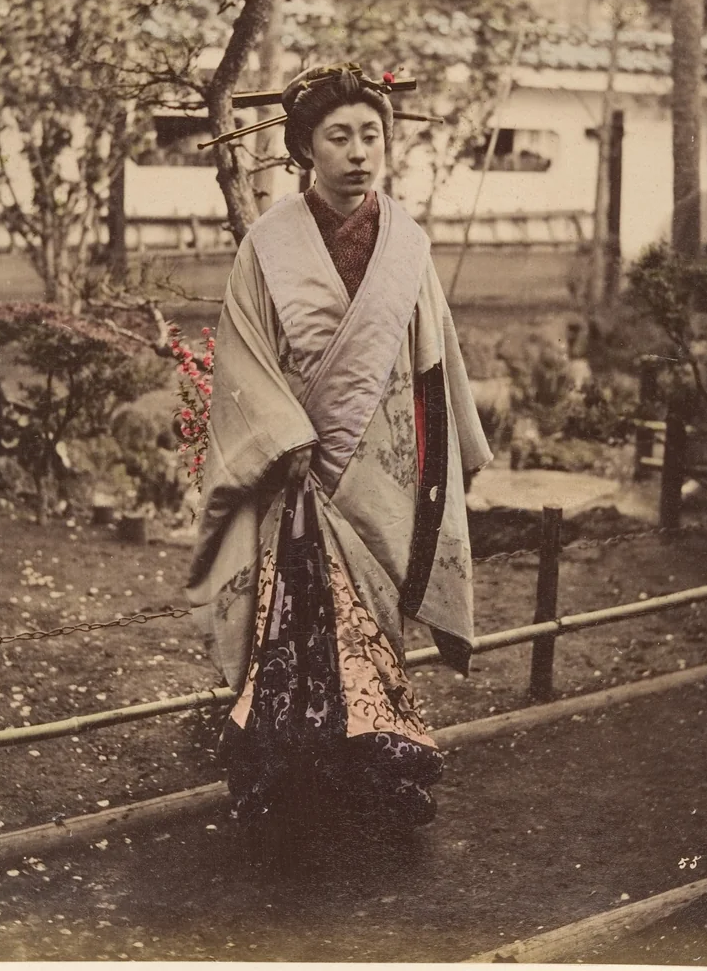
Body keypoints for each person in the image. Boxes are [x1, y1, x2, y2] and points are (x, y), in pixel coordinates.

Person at [186, 63, 491, 853]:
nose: (359, 153)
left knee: (374, 629)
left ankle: (373, 789)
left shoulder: (406, 245)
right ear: (303, 149)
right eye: (338, 137)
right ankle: (291, 793)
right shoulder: (268, 242)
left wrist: (441, 458)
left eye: (371, 135)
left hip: (382, 469)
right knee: (294, 631)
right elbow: (244, 355)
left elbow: (433, 361)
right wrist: (281, 438)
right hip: (295, 472)